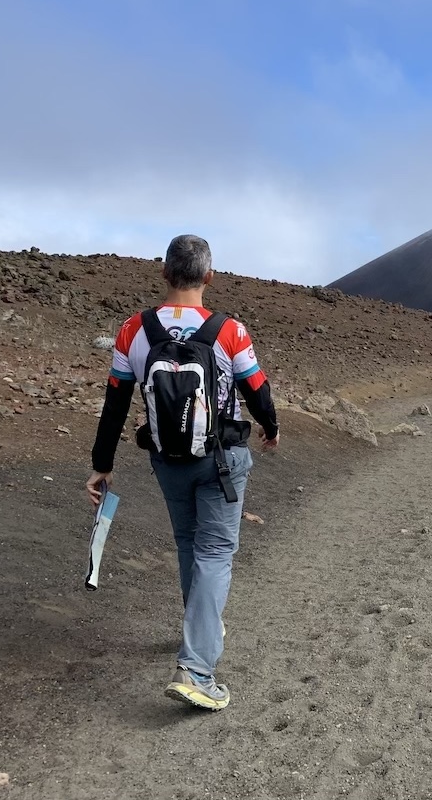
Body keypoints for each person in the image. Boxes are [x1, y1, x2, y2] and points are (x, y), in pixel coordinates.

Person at [85, 234, 279, 710]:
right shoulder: (229, 331)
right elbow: (256, 390)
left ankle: (201, 626)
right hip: (221, 460)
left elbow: (115, 406)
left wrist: (101, 466)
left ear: (164, 273)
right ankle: (196, 670)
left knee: (190, 544)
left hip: (167, 460)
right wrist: (271, 428)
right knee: (215, 551)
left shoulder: (133, 331)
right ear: (209, 277)